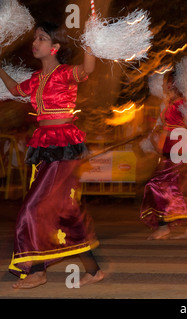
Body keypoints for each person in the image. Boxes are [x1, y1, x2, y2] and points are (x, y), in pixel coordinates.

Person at [0, 21, 103, 288]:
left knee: (33, 208)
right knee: (62, 210)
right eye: (35, 38)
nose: (35, 43)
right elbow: (14, 90)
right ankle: (93, 269)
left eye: (42, 39)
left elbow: (89, 68)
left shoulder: (66, 73)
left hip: (64, 145)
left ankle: (37, 270)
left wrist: (91, 38)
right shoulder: (35, 79)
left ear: (55, 47)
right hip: (44, 145)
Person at [139, 71, 187, 240]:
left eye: (166, 83)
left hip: (176, 152)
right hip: (175, 151)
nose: (163, 86)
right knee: (179, 190)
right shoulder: (174, 103)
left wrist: (159, 139)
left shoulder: (178, 104)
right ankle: (185, 229)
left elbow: (173, 128)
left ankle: (164, 227)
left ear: (172, 85)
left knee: (157, 185)